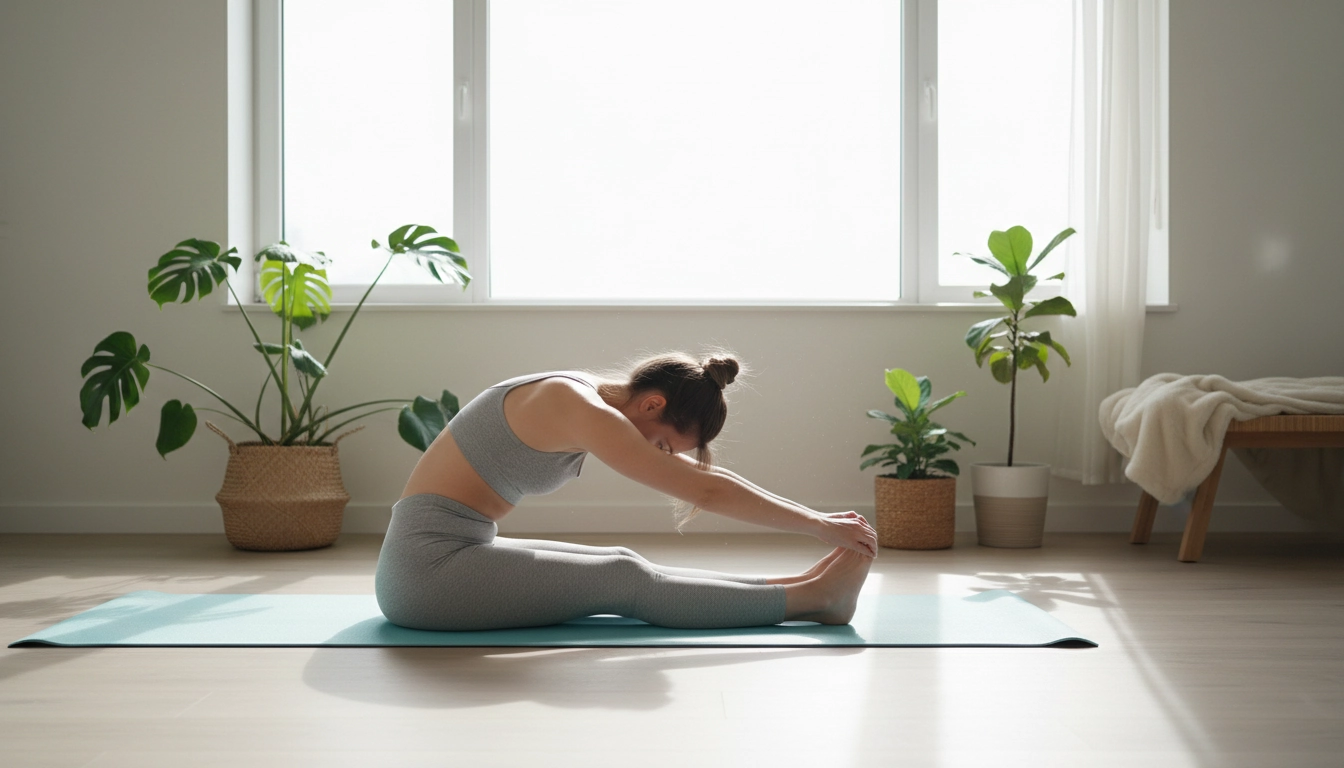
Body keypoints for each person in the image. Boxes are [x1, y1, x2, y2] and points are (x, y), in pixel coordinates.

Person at [375, 352, 877, 631]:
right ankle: (812, 601)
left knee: (621, 557)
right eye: (663, 444)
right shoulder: (578, 407)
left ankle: (788, 587)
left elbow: (710, 483)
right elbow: (708, 492)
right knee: (623, 578)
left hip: (453, 550)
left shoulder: (582, 395)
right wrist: (818, 524)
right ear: (652, 403)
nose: (659, 456)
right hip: (425, 576)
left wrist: (817, 521)